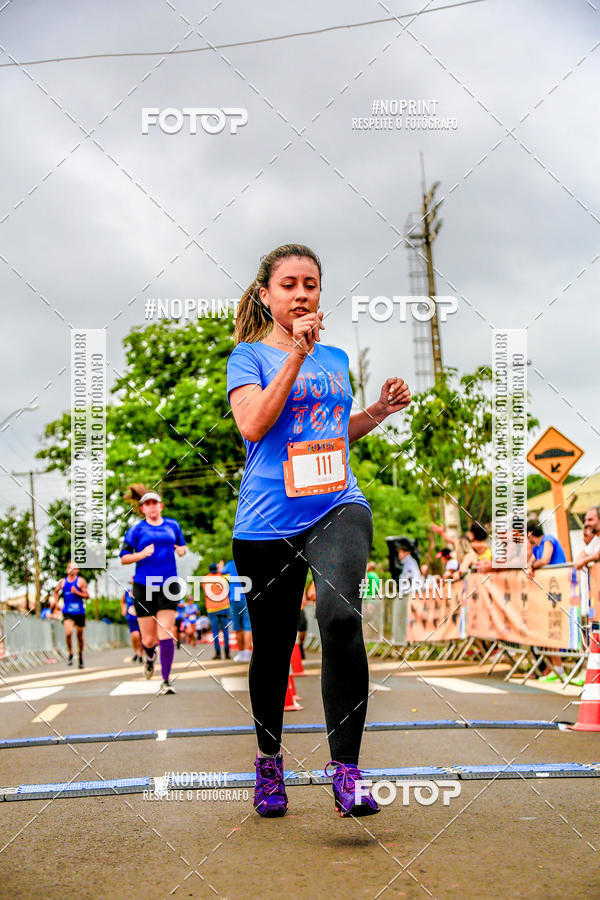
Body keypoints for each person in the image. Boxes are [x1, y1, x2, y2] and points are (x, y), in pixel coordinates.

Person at [227, 243, 411, 818]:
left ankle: (347, 773)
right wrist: (295, 356)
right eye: (289, 285)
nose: (302, 294)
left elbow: (333, 432)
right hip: (267, 521)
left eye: (311, 284)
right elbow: (254, 424)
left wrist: (377, 411)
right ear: (266, 295)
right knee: (274, 644)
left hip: (336, 503)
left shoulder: (334, 357)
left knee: (339, 616)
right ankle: (269, 763)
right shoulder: (247, 357)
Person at [119, 489, 187, 694]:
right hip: (144, 585)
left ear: (161, 506)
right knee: (148, 639)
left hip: (168, 584)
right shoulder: (136, 529)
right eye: (147, 504)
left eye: (154, 503)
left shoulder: (172, 525)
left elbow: (182, 547)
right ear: (142, 509)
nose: (152, 507)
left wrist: (181, 550)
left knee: (166, 631)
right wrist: (141, 554)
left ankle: (166, 680)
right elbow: (124, 558)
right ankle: (149, 656)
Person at [53, 562, 89, 668]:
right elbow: (55, 592)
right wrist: (56, 604)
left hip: (79, 612)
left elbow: (87, 595)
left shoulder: (81, 581)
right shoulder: (63, 582)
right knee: (68, 633)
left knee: (79, 636)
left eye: (74, 568)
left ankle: (80, 655)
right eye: (70, 567)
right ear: (67, 569)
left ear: (77, 570)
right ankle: (70, 653)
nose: (72, 569)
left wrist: (77, 592)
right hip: (67, 612)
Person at [221, 558, 252, 663]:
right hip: (246, 598)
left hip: (234, 598)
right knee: (248, 627)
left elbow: (221, 572)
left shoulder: (230, 564)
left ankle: (241, 653)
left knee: (237, 627)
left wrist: (221, 565)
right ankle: (247, 654)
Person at [201, 563, 232, 660]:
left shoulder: (205, 579)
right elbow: (230, 574)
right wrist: (221, 568)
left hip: (212, 608)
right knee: (225, 631)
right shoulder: (223, 577)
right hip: (224, 607)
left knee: (215, 632)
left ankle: (218, 653)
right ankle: (227, 653)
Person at [121, 580, 143, 663]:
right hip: (131, 618)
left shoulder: (143, 592)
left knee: (141, 637)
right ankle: (136, 652)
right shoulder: (127, 592)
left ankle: (141, 654)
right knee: (135, 636)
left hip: (141, 617)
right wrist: (123, 609)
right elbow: (123, 602)